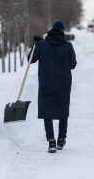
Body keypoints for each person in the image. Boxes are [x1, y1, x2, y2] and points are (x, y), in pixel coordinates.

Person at [28, 20, 77, 153]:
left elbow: (30, 59)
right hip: (63, 84)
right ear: (62, 32)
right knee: (63, 112)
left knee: (47, 112)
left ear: (51, 30)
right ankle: (61, 140)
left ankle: (51, 142)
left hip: (46, 84)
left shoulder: (42, 45)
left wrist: (35, 45)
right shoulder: (68, 46)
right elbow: (73, 64)